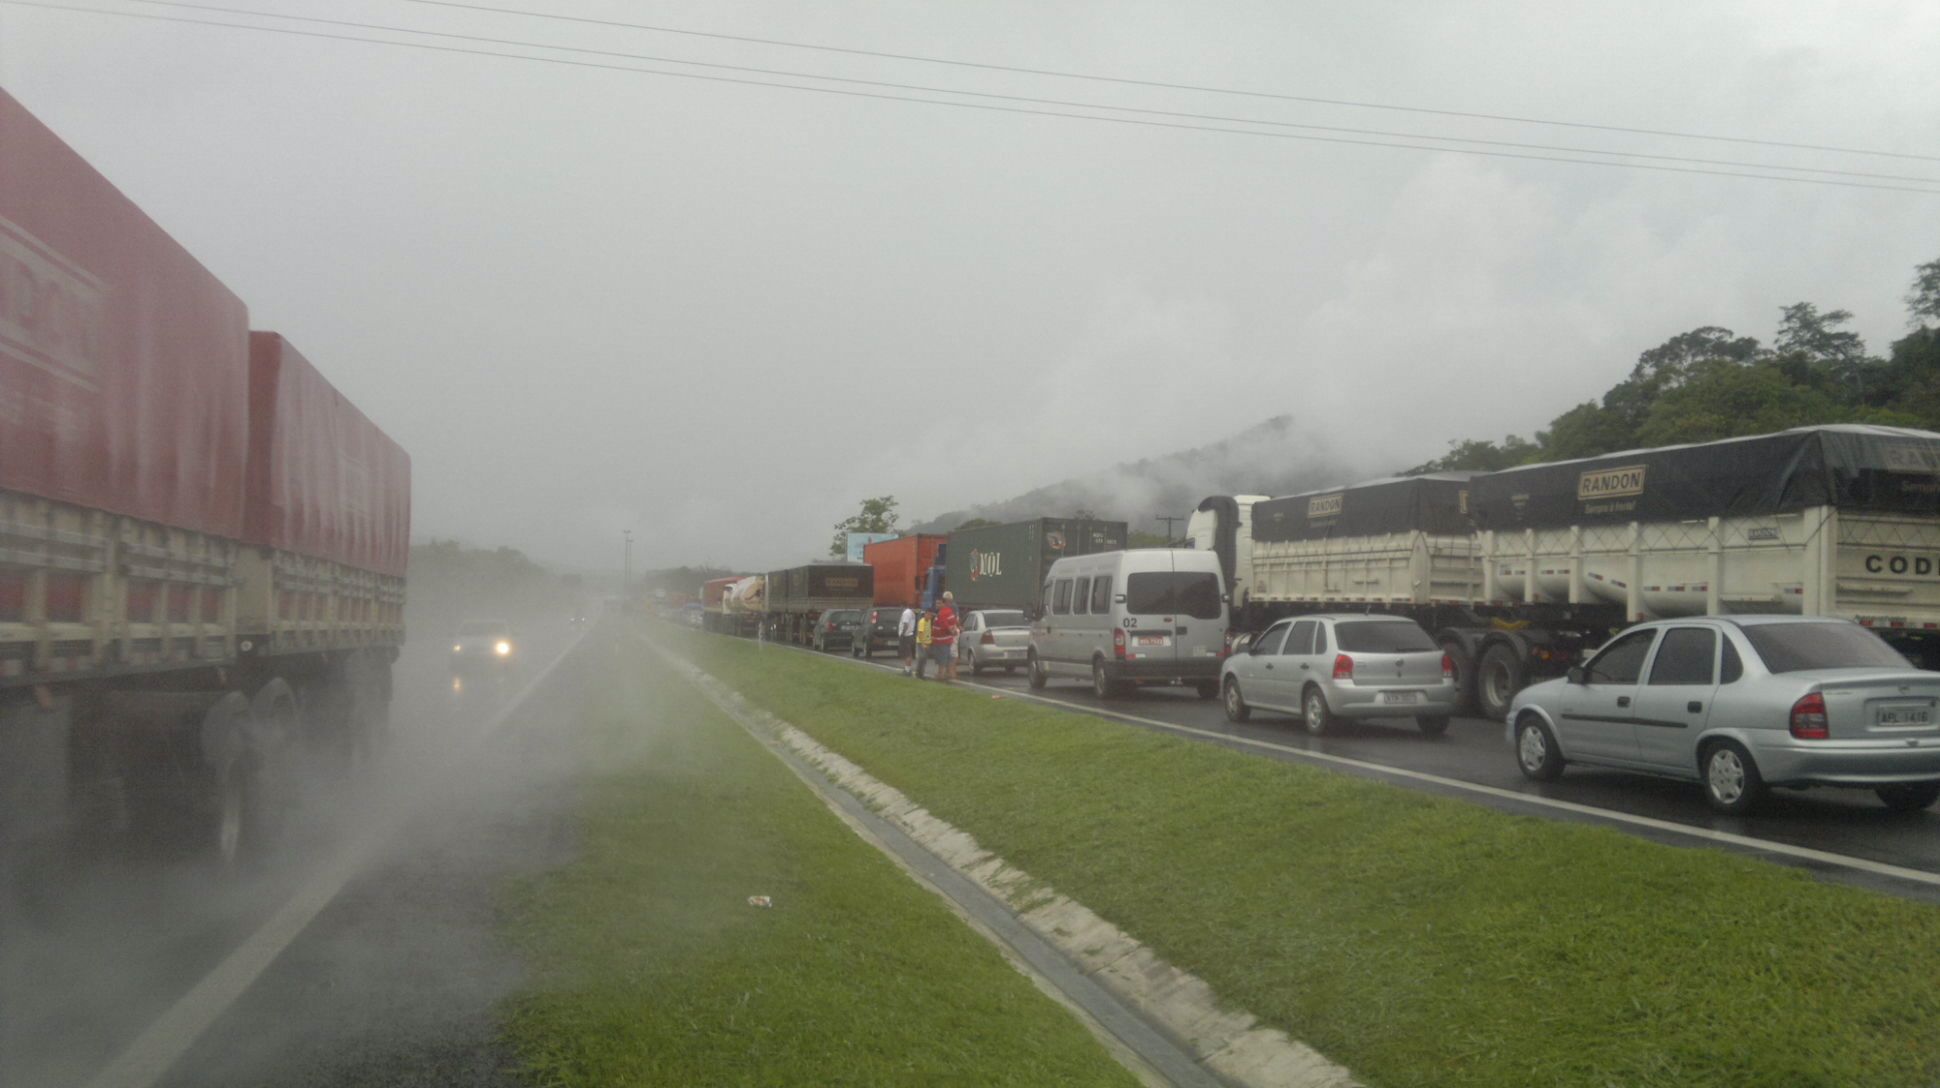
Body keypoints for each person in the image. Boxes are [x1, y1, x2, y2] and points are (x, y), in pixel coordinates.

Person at [932, 591, 961, 681]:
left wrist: (952, 631)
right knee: (945, 656)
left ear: (944, 602)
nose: (937, 605)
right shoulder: (947, 611)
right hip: (944, 639)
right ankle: (947, 674)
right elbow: (954, 621)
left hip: (943, 640)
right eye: (936, 603)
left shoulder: (944, 612)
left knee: (944, 658)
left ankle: (943, 675)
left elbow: (946, 625)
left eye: (939, 603)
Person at [897, 604, 918, 675]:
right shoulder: (912, 613)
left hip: (906, 635)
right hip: (910, 634)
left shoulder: (906, 613)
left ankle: (907, 670)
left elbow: (905, 624)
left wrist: (902, 634)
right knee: (909, 653)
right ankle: (908, 669)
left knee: (907, 654)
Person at [914, 608, 934, 679]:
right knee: (921, 658)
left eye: (930, 615)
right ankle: (918, 673)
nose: (929, 616)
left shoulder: (929, 621)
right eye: (928, 614)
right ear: (925, 614)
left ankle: (921, 673)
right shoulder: (922, 622)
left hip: (927, 642)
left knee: (924, 659)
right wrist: (923, 644)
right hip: (921, 642)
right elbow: (920, 633)